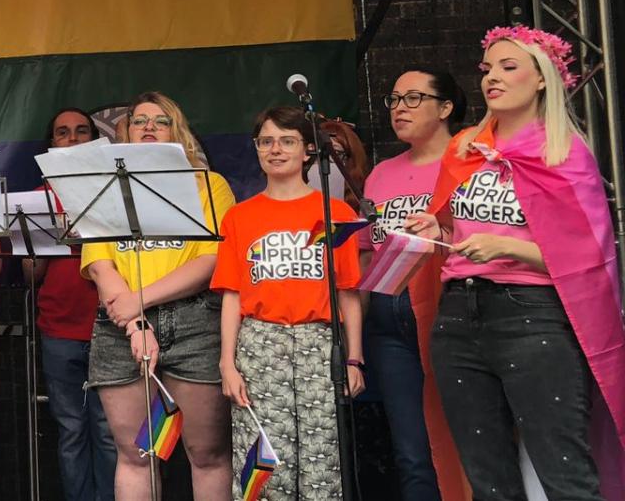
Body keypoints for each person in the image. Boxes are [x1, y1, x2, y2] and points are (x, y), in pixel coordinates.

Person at [403, 26, 625, 499]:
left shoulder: (564, 154)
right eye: (487, 69)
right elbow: (455, 231)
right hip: (458, 317)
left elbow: (590, 261)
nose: (491, 79)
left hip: (533, 316)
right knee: (488, 481)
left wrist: (509, 248)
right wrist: (433, 230)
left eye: (508, 67)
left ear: (541, 78)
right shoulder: (465, 148)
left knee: (565, 474)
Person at [81, 91, 237, 500]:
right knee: (136, 454)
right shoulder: (105, 188)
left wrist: (140, 301)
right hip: (121, 327)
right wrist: (135, 323)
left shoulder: (208, 184)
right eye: (139, 120)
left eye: (161, 120)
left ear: (178, 131)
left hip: (194, 321)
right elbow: (100, 266)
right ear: (127, 132)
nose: (149, 127)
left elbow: (211, 260)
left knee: (207, 453)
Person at [212, 106, 366, 500]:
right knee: (264, 459)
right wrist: (227, 363)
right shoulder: (239, 217)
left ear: (308, 150)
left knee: (321, 461)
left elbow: (348, 292)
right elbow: (232, 294)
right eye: (266, 141)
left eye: (287, 141)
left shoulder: (336, 214)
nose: (275, 149)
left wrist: (354, 359)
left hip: (318, 344)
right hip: (260, 344)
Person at [355, 68, 462, 501]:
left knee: (463, 436)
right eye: (394, 99)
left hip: (446, 309)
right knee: (410, 450)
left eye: (413, 98)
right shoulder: (379, 174)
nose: (399, 108)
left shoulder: (467, 161)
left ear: (446, 107)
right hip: (388, 317)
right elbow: (366, 252)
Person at [31, 107, 116, 501]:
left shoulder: (118, 190)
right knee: (70, 431)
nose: (73, 138)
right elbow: (31, 275)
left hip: (113, 327)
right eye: (62, 132)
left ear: (96, 141)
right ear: (52, 144)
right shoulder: (35, 199)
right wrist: (43, 243)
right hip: (59, 329)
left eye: (82, 131)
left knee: (110, 431)